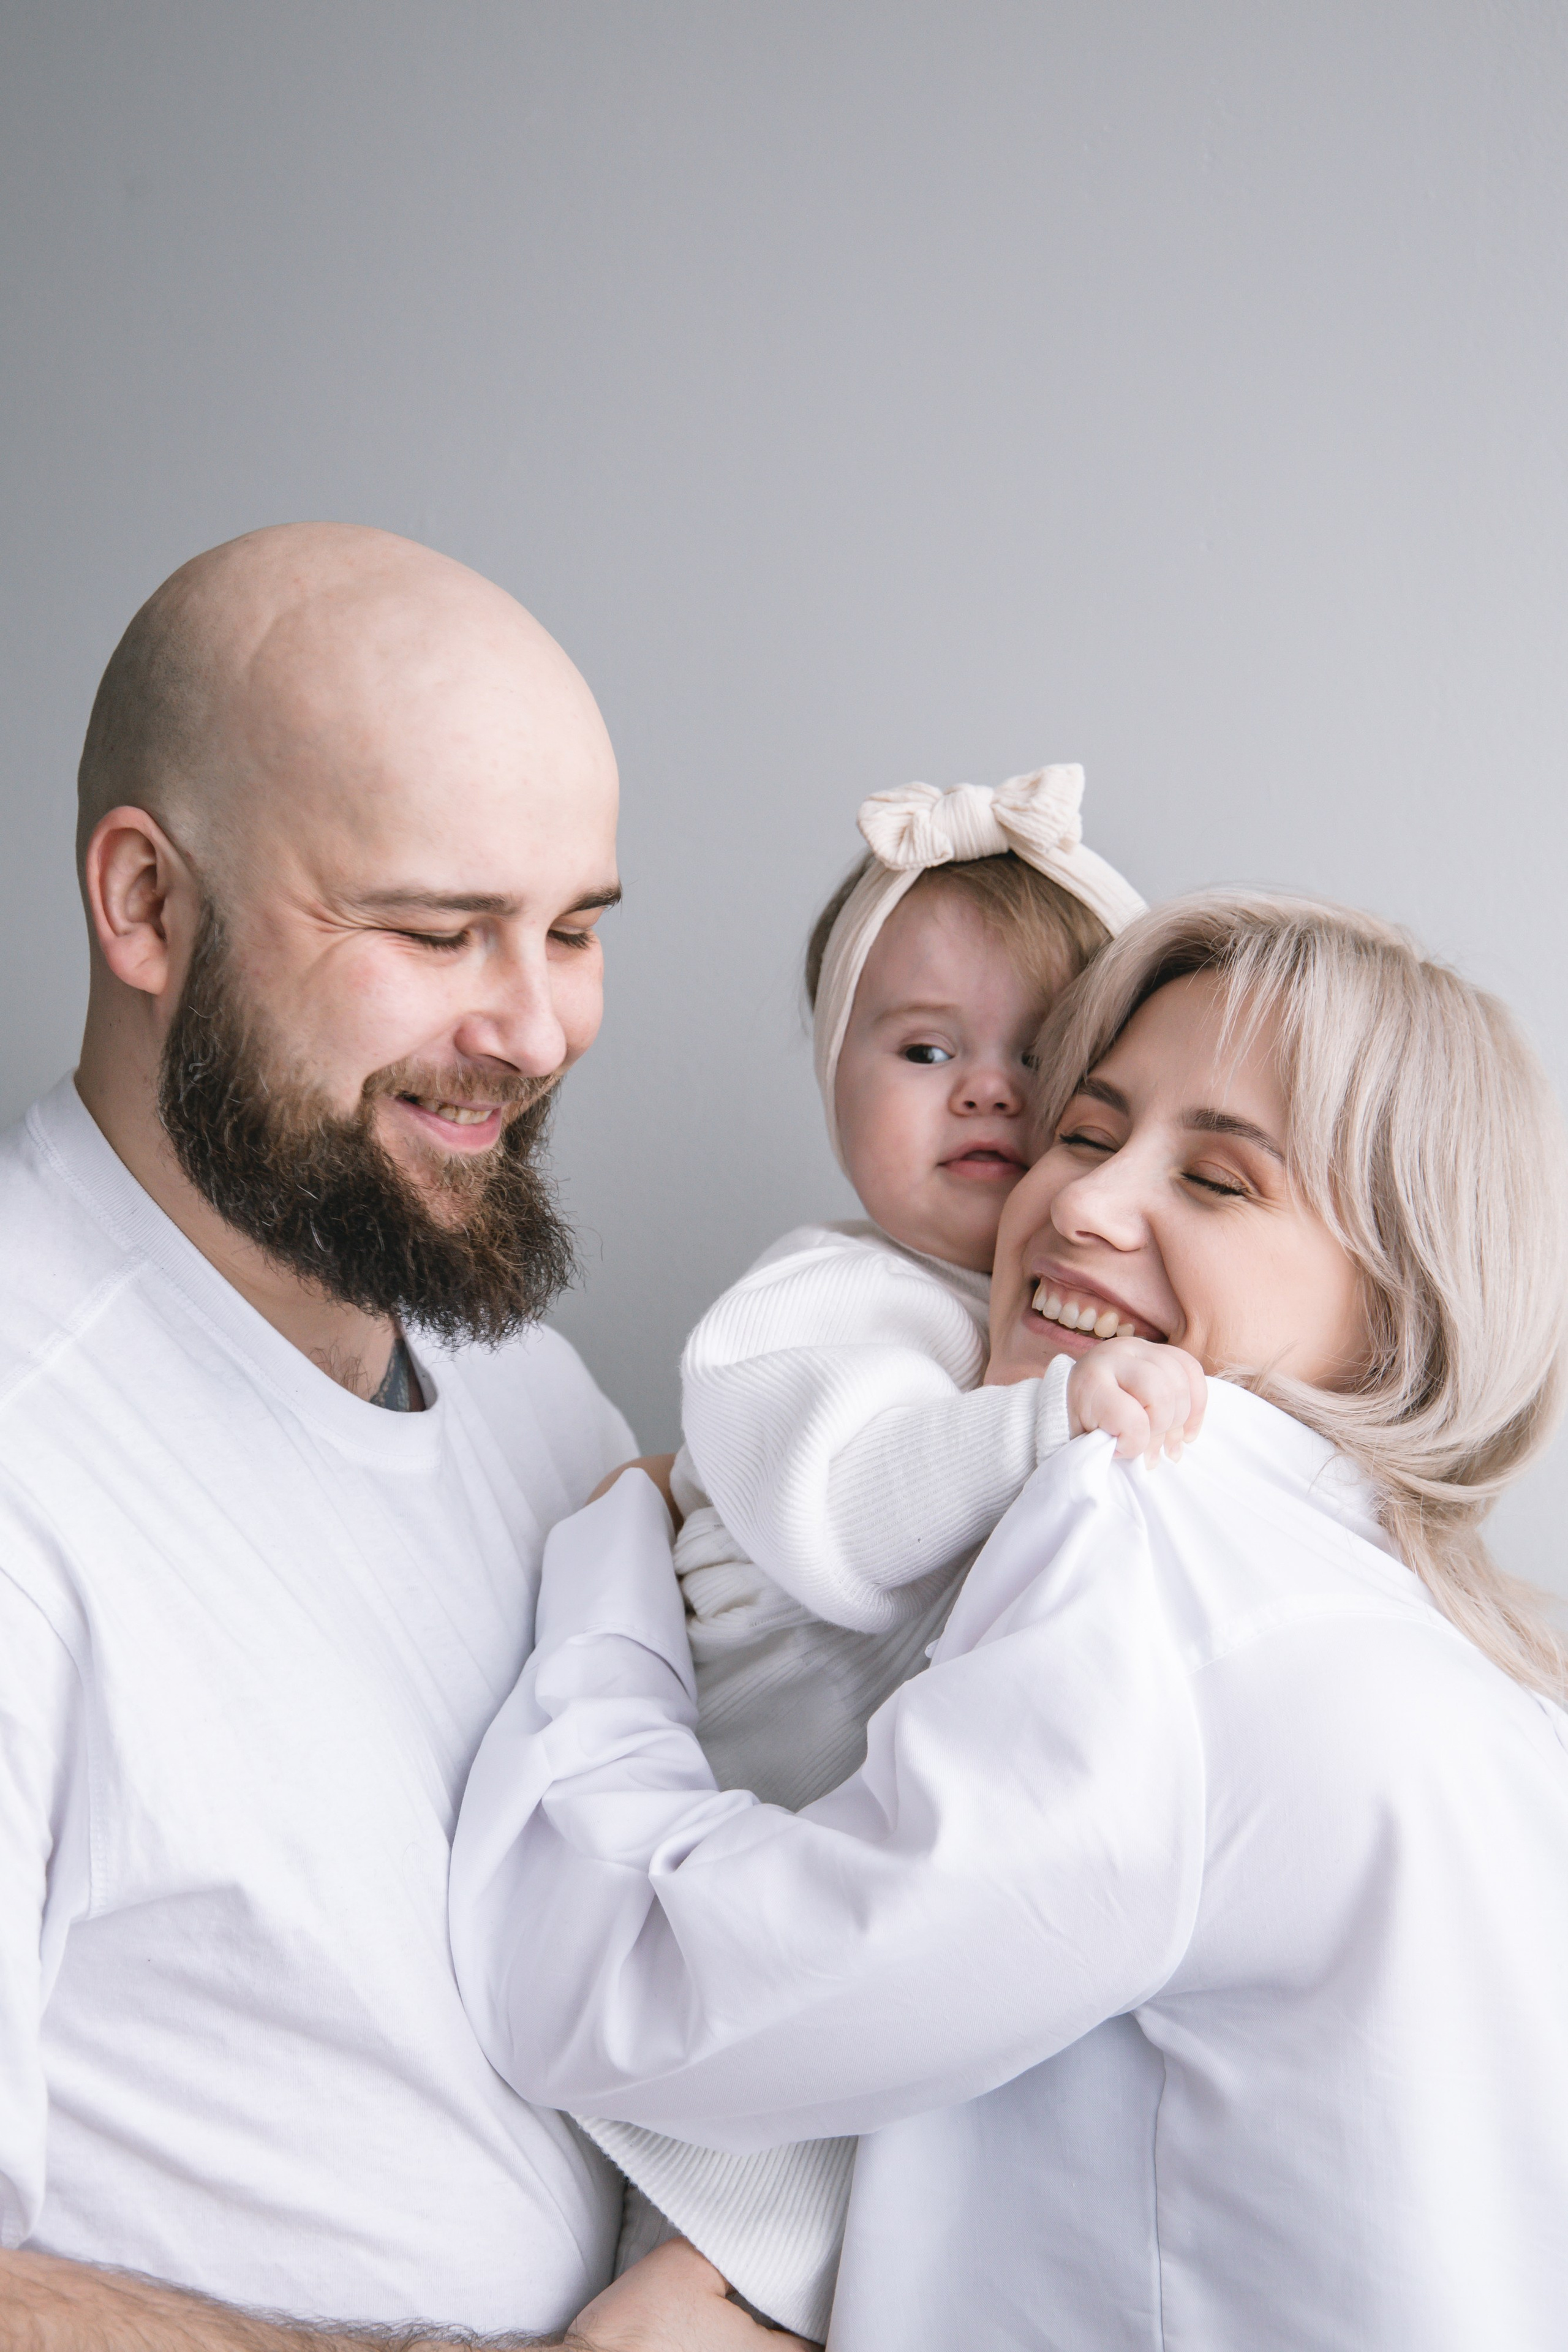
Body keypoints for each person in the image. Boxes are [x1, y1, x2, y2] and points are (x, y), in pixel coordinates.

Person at [451, 890, 1568, 2351]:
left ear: (1402, 1310)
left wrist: (608, 1555)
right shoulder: (1480, 1670)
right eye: (1086, 1133)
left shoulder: (1149, 1526)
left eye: (1219, 1182)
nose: (1083, 1204)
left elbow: (642, 1991)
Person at [0, 522, 787, 2350]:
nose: (535, 1028)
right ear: (145, 907)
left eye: (576, 930)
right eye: (436, 931)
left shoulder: (521, 1387)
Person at [582, 771, 1202, 2339]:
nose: (985, 1094)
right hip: (757, 1894)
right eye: (925, 1051)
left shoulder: (1025, 1322)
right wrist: (1043, 1422)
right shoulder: (812, 1308)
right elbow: (856, 1518)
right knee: (697, 2266)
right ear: (830, 1084)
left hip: (901, 1941)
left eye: (1044, 1065)